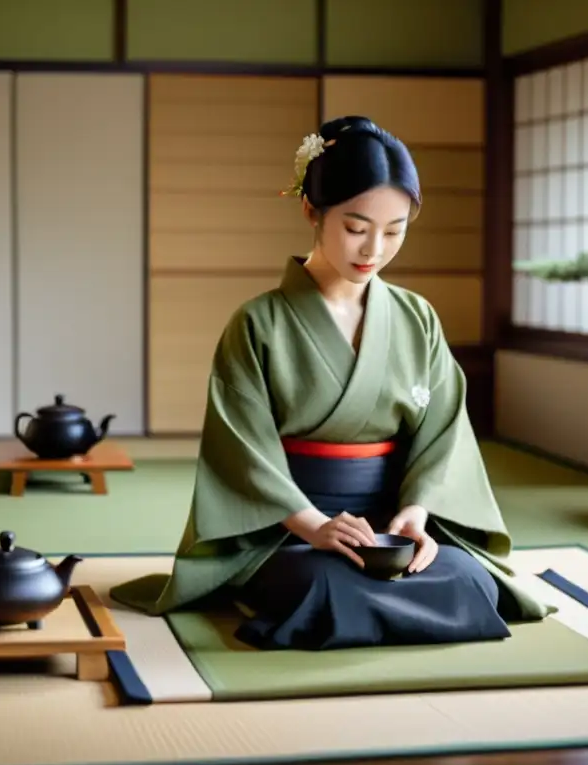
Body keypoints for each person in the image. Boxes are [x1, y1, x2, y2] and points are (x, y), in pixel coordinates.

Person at [110, 116, 555, 650]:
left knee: (468, 580)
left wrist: (414, 516)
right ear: (311, 211)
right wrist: (314, 525)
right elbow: (242, 451)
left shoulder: (417, 318)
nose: (374, 249)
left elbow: (444, 436)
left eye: (395, 232)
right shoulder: (258, 324)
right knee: (322, 585)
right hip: (290, 530)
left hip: (389, 527)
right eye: (356, 226)